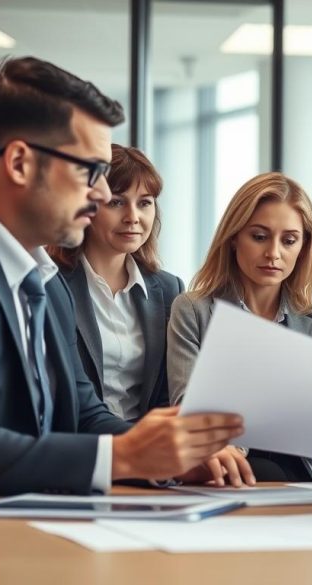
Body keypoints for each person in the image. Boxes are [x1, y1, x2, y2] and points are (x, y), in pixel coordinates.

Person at [0, 56, 243, 508]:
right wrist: (125, 456)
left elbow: (83, 415)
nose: (102, 194)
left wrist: (170, 456)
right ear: (19, 163)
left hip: (8, 518)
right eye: (89, 171)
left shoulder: (45, 281)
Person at [167, 172, 312, 482]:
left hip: (297, 480)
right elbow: (190, 419)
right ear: (234, 237)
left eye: (289, 241)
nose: (273, 253)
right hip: (223, 475)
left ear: (303, 246)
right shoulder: (193, 310)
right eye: (259, 237)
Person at [48, 144, 184, 421]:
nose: (133, 217)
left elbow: (170, 393)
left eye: (144, 203)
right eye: (116, 202)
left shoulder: (170, 290)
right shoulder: (51, 284)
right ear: (87, 206)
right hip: (84, 439)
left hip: (152, 439)